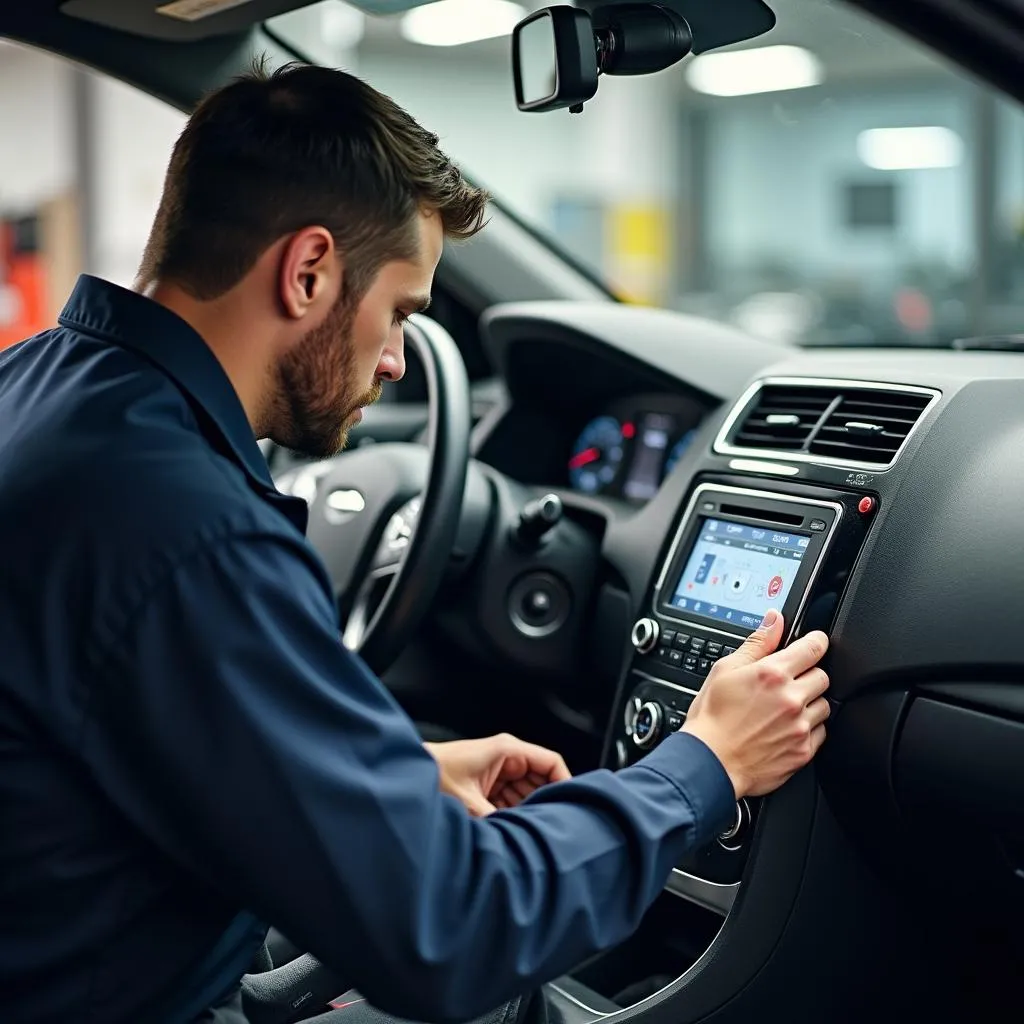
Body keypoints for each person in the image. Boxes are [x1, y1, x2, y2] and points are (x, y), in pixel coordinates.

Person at [0, 61, 830, 1024]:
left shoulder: (43, 396)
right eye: (398, 311)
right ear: (308, 271)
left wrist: (394, 779)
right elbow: (454, 926)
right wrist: (707, 763)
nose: (396, 359)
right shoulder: (189, 527)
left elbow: (101, 739)